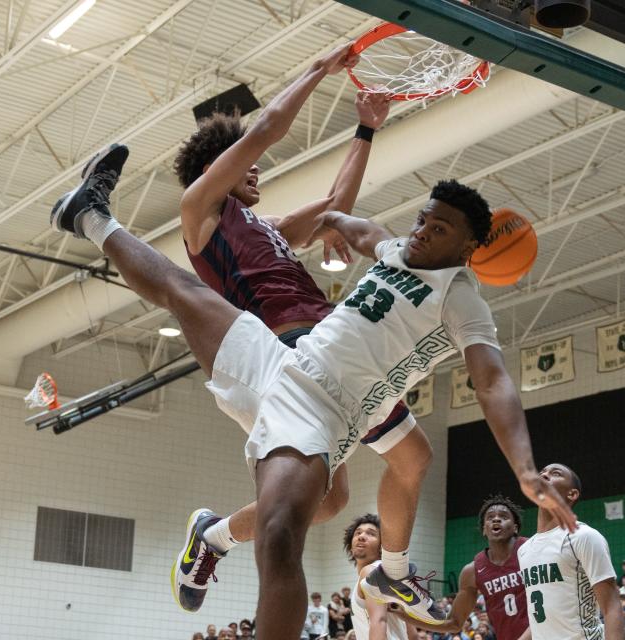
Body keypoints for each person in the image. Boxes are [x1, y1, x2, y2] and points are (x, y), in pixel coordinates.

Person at [48, 69, 573, 640]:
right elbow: (324, 195)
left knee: (359, 487)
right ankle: (90, 213)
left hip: (332, 395)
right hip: (282, 349)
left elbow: (492, 381)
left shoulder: (458, 296)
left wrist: (361, 143)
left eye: (437, 226)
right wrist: (336, 93)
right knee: (184, 290)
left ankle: (343, 563)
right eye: (421, 219)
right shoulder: (209, 210)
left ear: (469, 247)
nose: (420, 231)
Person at [165, 58, 435, 615]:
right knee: (334, 497)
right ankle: (214, 538)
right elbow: (265, 129)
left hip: (331, 340)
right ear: (217, 167)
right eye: (247, 162)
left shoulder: (269, 229)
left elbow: (339, 203)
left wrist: (366, 129)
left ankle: (385, 570)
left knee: (400, 464)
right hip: (292, 356)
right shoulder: (199, 214)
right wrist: (318, 68)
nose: (258, 167)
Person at [396, 495, 529, 640]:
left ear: (515, 528)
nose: (496, 519)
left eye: (503, 516)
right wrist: (404, 615)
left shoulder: (532, 550)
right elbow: (454, 623)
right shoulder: (472, 571)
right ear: (484, 529)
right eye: (490, 517)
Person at [516, 463, 624, 640]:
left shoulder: (584, 536)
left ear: (572, 494)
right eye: (541, 472)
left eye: (555, 473)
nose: (543, 475)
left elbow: (611, 606)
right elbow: (543, 617)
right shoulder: (524, 550)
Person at [343, 513, 416, 640]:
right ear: (350, 547)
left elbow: (379, 621)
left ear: (382, 547)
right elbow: (412, 634)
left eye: (371, 533)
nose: (361, 537)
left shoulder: (371, 572)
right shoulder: (389, 574)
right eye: (358, 533)